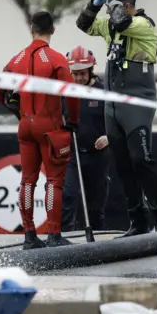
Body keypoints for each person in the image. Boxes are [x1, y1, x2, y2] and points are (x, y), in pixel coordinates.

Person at [75, 0, 157, 238]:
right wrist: (97, 2)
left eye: (113, 6)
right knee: (122, 163)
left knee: (141, 158)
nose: (109, 11)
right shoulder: (113, 26)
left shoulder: (143, 24)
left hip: (138, 99)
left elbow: (120, 22)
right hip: (113, 102)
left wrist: (114, 3)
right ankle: (137, 221)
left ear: (126, 6)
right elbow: (84, 24)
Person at [0, 11, 80, 249]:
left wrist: (14, 110)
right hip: (50, 128)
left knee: (27, 181)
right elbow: (72, 93)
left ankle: (29, 236)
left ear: (31, 29)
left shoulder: (17, 58)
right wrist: (73, 120)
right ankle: (54, 234)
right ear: (53, 30)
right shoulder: (56, 59)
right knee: (54, 181)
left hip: (26, 125)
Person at [60, 46, 110, 232]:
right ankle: (65, 238)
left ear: (90, 71)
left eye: (83, 73)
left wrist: (108, 137)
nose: (79, 78)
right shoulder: (64, 91)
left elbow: (117, 119)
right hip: (71, 154)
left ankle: (98, 237)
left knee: (96, 204)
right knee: (68, 196)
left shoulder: (103, 91)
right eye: (75, 73)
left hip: (97, 155)